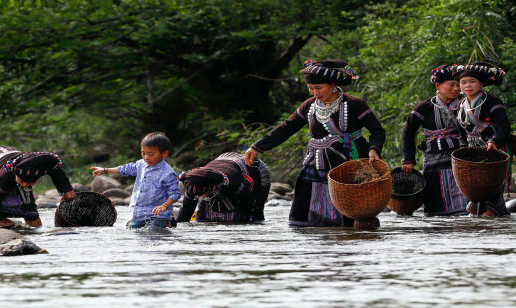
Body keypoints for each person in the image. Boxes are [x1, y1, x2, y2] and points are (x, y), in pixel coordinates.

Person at [244, 59, 386, 227]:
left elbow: (377, 130)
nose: (314, 93)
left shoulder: (355, 104)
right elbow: (286, 128)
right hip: (315, 163)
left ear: (333, 84)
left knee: (350, 214)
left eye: (318, 88)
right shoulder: (309, 106)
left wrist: (374, 149)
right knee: (302, 218)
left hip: (349, 163)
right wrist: (257, 146)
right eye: (310, 88)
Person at [400, 65, 468, 216]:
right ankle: (436, 218)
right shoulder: (424, 108)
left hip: (460, 155)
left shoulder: (465, 105)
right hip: (433, 158)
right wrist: (408, 159)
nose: (456, 88)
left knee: (463, 187)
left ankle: (465, 216)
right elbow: (408, 131)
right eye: (451, 84)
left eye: (458, 85)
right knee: (435, 192)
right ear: (438, 86)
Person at [0, 146, 76, 230]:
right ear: (16, 175)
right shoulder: (6, 175)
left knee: (30, 211)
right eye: (22, 181)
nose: (25, 185)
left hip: (10, 163)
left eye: (30, 182)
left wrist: (67, 191)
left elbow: (56, 170)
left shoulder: (38, 167)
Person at [453, 61, 510, 216]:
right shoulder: (460, 104)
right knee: (473, 187)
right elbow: (461, 131)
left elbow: (504, 127)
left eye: (472, 81)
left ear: (481, 84)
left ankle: (494, 216)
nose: (467, 85)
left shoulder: (492, 101)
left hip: (491, 150)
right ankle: (483, 219)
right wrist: (463, 149)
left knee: (491, 187)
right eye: (463, 82)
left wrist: (494, 141)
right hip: (471, 152)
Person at [91, 132, 181, 229]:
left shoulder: (167, 173)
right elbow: (126, 169)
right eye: (143, 153)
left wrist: (165, 206)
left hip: (158, 215)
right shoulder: (141, 164)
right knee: (135, 236)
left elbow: (175, 193)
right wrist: (105, 170)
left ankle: (169, 220)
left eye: (151, 154)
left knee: (155, 237)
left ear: (164, 153)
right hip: (138, 213)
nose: (146, 157)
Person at [175, 152, 270, 223]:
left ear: (211, 187)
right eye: (197, 195)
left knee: (255, 215)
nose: (199, 197)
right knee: (203, 216)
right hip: (224, 162)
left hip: (254, 166)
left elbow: (247, 203)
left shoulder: (229, 182)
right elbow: (186, 212)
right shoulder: (193, 184)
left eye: (201, 194)